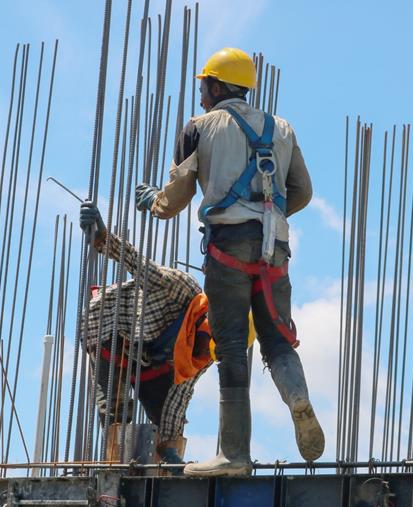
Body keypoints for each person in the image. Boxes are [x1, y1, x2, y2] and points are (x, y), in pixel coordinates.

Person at [134, 47, 324, 477]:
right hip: (274, 251)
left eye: (204, 86)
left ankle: (234, 455)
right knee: (278, 341)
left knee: (233, 349)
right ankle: (297, 396)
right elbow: (303, 191)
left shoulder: (198, 128)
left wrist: (153, 203)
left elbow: (177, 196)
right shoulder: (282, 128)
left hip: (227, 251)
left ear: (217, 86)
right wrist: (269, 218)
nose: (201, 96)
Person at [78, 201, 221, 466]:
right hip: (112, 329)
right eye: (204, 345)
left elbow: (179, 397)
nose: (202, 353)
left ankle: (161, 468)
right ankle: (115, 471)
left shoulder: (206, 354)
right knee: (114, 410)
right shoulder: (180, 290)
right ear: (206, 320)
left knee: (164, 420)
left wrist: (171, 449)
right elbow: (139, 265)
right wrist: (102, 238)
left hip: (149, 356)